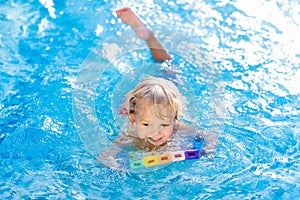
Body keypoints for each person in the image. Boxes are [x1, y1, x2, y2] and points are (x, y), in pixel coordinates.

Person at [98, 8, 218, 168]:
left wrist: (210, 146)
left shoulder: (178, 128)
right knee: (137, 98)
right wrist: (110, 161)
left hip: (169, 87)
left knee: (169, 67)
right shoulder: (131, 134)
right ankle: (147, 37)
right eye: (147, 124)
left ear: (174, 120)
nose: (156, 132)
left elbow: (209, 135)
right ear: (134, 121)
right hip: (139, 98)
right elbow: (106, 154)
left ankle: (148, 36)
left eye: (164, 125)